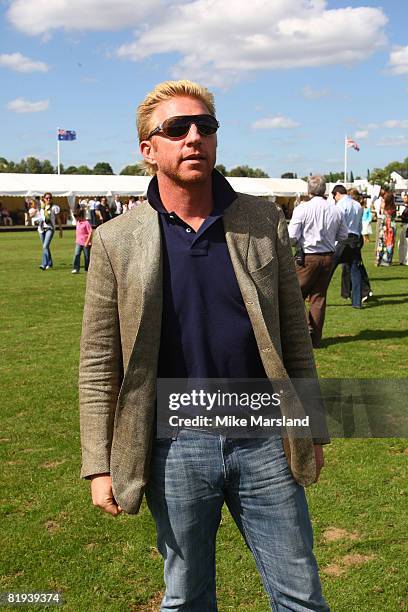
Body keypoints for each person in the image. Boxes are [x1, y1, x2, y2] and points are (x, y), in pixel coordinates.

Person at [80, 80, 329, 611]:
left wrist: (312, 426)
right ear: (148, 150)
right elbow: (99, 363)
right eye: (177, 128)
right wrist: (98, 463)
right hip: (174, 447)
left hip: (264, 438)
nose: (194, 137)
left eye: (205, 126)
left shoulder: (262, 221)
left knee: (301, 596)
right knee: (187, 597)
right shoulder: (115, 239)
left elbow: (294, 337)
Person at [288, 175, 348, 348]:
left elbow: (291, 236)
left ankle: (297, 336)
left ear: (309, 190)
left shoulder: (302, 209)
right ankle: (315, 338)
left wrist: (299, 242)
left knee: (295, 297)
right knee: (318, 298)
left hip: (308, 258)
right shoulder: (335, 209)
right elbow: (344, 235)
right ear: (325, 190)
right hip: (328, 257)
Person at [330, 184, 364, 308]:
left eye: (334, 197)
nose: (335, 199)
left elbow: (336, 224)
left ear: (337, 194)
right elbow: (360, 225)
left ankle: (319, 296)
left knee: (329, 268)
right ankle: (357, 302)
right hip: (355, 238)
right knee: (355, 270)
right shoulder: (358, 205)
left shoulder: (340, 205)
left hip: (344, 239)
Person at [340, 189, 373, 303]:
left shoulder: (351, 206)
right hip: (356, 237)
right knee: (352, 266)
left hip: (348, 238)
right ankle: (349, 292)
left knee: (352, 266)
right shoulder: (358, 206)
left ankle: (362, 291)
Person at [38, 192, 63, 270]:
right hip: (41, 229)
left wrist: (60, 229)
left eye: (50, 198)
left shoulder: (54, 207)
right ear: (44, 199)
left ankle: (44, 264)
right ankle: (50, 263)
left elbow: (58, 218)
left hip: (50, 228)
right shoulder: (41, 207)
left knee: (45, 246)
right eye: (47, 198)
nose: (48, 199)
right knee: (46, 247)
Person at [376, 192, 397, 266]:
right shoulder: (393, 206)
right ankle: (386, 260)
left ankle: (380, 259)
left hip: (386, 226)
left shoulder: (386, 206)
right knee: (388, 243)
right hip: (389, 226)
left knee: (383, 242)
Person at [72, 207, 92, 274]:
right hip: (78, 242)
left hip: (86, 243)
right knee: (76, 254)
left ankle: (87, 269)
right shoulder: (78, 222)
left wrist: (87, 242)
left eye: (77, 217)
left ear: (81, 216)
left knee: (86, 257)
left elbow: (90, 232)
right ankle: (76, 268)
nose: (76, 219)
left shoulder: (86, 223)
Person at [398, 194, 408, 265]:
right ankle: (402, 259)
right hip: (404, 225)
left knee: (406, 243)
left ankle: (406, 260)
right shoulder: (405, 207)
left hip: (407, 225)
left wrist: (401, 216)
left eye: (405, 198)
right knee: (401, 243)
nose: (404, 199)